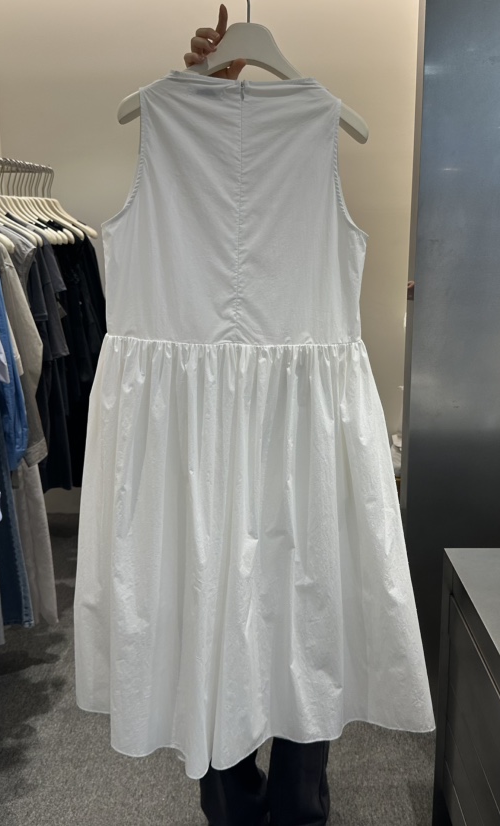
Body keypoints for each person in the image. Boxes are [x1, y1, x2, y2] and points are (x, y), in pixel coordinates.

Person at [186, 8, 328, 826]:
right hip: (200, 431)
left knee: (301, 610)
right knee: (216, 616)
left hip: (295, 425)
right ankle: (243, 805)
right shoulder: (169, 120)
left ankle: (291, 803)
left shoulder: (320, 119)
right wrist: (202, 94)